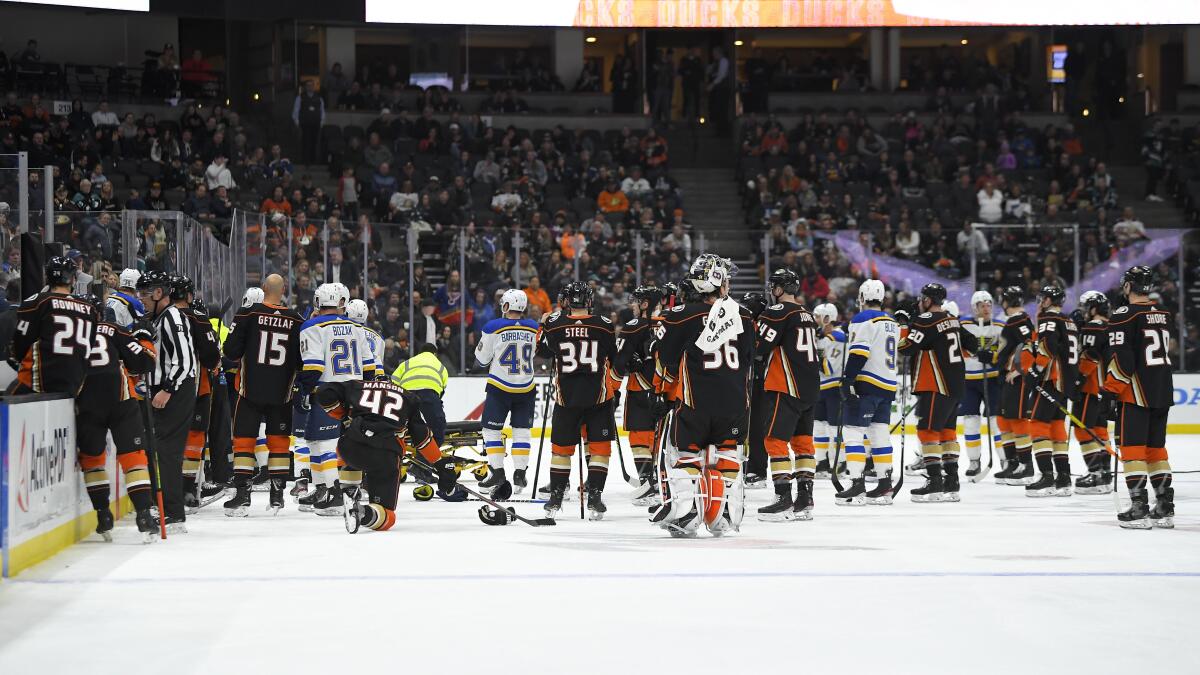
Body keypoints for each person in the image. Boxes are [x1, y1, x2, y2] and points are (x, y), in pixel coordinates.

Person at [651, 255, 753, 536]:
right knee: (729, 454)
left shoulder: (683, 314)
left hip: (696, 401)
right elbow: (749, 357)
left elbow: (667, 358)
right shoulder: (743, 314)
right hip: (735, 402)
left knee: (685, 454)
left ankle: (686, 513)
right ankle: (726, 514)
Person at [317, 378, 464, 532]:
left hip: (351, 447)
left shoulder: (357, 386)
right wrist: (439, 463)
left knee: (347, 439)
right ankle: (363, 512)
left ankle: (349, 489)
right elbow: (422, 439)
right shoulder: (409, 398)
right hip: (385, 455)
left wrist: (342, 415)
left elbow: (324, 392)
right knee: (387, 517)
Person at [74, 291, 159, 542]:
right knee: (134, 459)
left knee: (92, 460)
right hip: (120, 401)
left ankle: (103, 514)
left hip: (87, 404)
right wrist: (145, 340)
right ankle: (144, 514)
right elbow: (145, 363)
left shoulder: (71, 333)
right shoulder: (113, 329)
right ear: (100, 312)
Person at [221, 274, 303, 516]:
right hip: (282, 392)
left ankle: (243, 495)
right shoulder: (296, 319)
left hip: (249, 389)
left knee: (244, 442)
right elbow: (302, 360)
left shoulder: (248, 313)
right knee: (278, 442)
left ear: (264, 288)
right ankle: (277, 495)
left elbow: (231, 351)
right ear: (284, 289)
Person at [536, 281, 618, 520]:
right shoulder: (604, 325)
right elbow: (613, 357)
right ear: (590, 301)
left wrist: (543, 324)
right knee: (600, 448)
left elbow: (542, 351)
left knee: (561, 450)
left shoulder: (554, 324)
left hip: (566, 398)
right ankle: (595, 495)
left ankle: (556, 496)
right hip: (599, 397)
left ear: (566, 302)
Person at [1104, 266, 1175, 528]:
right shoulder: (1164, 313)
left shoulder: (1124, 314)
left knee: (1133, 450)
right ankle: (1165, 506)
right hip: (1162, 389)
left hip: (1136, 392)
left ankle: (1139, 508)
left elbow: (1123, 361)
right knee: (1156, 450)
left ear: (1128, 287)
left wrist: (1109, 391)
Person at [296, 283, 377, 515]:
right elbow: (369, 368)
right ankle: (326, 489)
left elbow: (313, 367)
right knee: (317, 439)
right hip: (355, 391)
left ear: (317, 303)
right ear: (343, 302)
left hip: (327, 390)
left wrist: (302, 390)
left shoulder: (311, 325)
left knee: (324, 442)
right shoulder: (356, 326)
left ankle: (335, 493)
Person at [752, 268, 823, 521]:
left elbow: (758, 346)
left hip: (786, 385)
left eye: (774, 286)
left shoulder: (778, 312)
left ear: (780, 288)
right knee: (803, 443)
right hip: (810, 386)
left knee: (774, 440)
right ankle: (805, 499)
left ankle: (783, 498)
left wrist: (753, 321)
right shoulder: (807, 313)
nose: (772, 291)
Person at [898, 283, 972, 503]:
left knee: (927, 431)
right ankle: (952, 482)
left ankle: (935, 482)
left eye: (922, 298)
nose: (920, 302)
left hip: (935, 384)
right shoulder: (952, 319)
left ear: (928, 300)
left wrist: (904, 325)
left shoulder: (925, 320)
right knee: (947, 432)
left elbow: (906, 348)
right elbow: (972, 344)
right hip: (957, 384)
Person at [139, 272, 199, 533]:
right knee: (160, 448)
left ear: (159, 294)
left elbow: (185, 360)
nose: (141, 299)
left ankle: (173, 513)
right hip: (167, 389)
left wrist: (167, 389)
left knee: (167, 450)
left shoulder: (173, 316)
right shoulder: (160, 317)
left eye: (144, 294)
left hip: (176, 390)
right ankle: (167, 507)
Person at [837, 279, 901, 505]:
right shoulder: (893, 321)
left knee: (853, 432)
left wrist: (847, 379)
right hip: (888, 385)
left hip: (867, 383)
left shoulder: (863, 318)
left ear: (862, 298)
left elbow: (859, 353)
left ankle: (856, 484)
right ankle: (885, 485)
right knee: (879, 433)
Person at [473, 289, 540, 499]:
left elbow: (482, 359)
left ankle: (497, 472)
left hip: (500, 387)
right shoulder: (534, 327)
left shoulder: (493, 326)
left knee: (491, 431)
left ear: (506, 306)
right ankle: (520, 473)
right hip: (526, 387)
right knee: (522, 431)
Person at [1017, 286, 1078, 497]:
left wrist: (1035, 371)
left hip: (1050, 379)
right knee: (1057, 426)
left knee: (1038, 425)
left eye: (1042, 299)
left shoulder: (1048, 318)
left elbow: (1047, 347)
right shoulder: (1068, 320)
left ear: (1050, 300)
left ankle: (1046, 477)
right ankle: (1063, 478)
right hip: (1066, 381)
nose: (1039, 302)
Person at [11, 256, 97, 397]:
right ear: (73, 279)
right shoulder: (90, 308)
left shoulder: (37, 302)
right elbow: (90, 345)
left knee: (7, 401)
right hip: (74, 384)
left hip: (40, 382)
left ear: (47, 277)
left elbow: (19, 346)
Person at [613, 286, 664, 503]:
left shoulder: (633, 327)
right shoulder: (670, 323)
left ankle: (647, 484)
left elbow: (619, 361)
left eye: (636, 302)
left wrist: (612, 391)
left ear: (645, 305)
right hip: (666, 390)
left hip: (640, 389)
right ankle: (658, 483)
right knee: (659, 439)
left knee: (640, 438)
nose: (632, 305)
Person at [178, 285, 224, 511]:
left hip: (165, 388)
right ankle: (189, 487)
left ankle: (174, 487)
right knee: (195, 438)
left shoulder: (160, 317)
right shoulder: (198, 319)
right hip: (198, 387)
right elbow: (213, 358)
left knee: (171, 437)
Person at [989, 286, 1036, 486]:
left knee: (1017, 420)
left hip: (1017, 379)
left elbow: (1032, 344)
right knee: (1003, 419)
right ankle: (1013, 463)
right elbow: (1005, 348)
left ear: (1006, 301)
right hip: (1006, 378)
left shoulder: (1019, 320)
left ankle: (1026, 466)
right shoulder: (1014, 321)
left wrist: (1021, 369)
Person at [958, 291, 1004, 481]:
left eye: (989, 305)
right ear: (974, 307)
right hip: (968, 381)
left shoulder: (1000, 326)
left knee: (996, 422)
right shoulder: (964, 326)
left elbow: (1006, 353)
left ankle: (1005, 461)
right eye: (982, 305)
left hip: (992, 379)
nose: (986, 309)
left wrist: (994, 358)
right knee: (970, 422)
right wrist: (976, 355)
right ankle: (974, 460)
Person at [1073, 290, 1114, 495]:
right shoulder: (1111, 326)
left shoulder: (1093, 327)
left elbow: (1090, 356)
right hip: (1106, 389)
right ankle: (1105, 474)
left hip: (1090, 388)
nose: (1083, 311)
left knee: (1082, 429)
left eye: (1085, 307)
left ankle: (1095, 473)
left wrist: (1077, 382)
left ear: (1094, 308)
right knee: (1099, 429)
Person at [811, 302, 845, 479]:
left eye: (818, 317)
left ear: (827, 318)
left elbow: (828, 368)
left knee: (834, 428)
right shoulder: (824, 338)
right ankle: (822, 462)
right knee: (819, 428)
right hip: (821, 388)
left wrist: (816, 348)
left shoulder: (838, 338)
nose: (815, 320)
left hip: (834, 389)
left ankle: (841, 462)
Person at [391, 343, 449, 446]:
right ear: (435, 354)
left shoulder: (407, 363)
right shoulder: (440, 366)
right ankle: (427, 455)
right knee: (437, 426)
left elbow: (393, 381)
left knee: (398, 426)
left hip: (406, 395)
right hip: (428, 394)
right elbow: (442, 388)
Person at [346, 299, 386, 380]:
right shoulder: (379, 337)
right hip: (375, 378)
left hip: (351, 377)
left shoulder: (345, 332)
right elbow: (380, 360)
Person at [292, 79, 325, 164]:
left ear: (314, 87)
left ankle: (313, 160)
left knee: (314, 142)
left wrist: (322, 122)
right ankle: (305, 160)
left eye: (311, 85)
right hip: (304, 123)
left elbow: (322, 111)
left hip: (316, 123)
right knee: (305, 142)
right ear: (305, 87)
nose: (310, 87)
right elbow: (296, 110)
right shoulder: (300, 97)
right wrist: (296, 121)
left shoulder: (319, 98)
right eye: (308, 85)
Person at [707, 46, 731, 136]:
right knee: (718, 109)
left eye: (714, 54)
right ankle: (720, 131)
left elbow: (721, 75)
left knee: (722, 110)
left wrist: (712, 84)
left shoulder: (724, 61)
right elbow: (709, 71)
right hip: (719, 88)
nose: (713, 56)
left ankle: (723, 132)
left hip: (723, 88)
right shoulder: (716, 62)